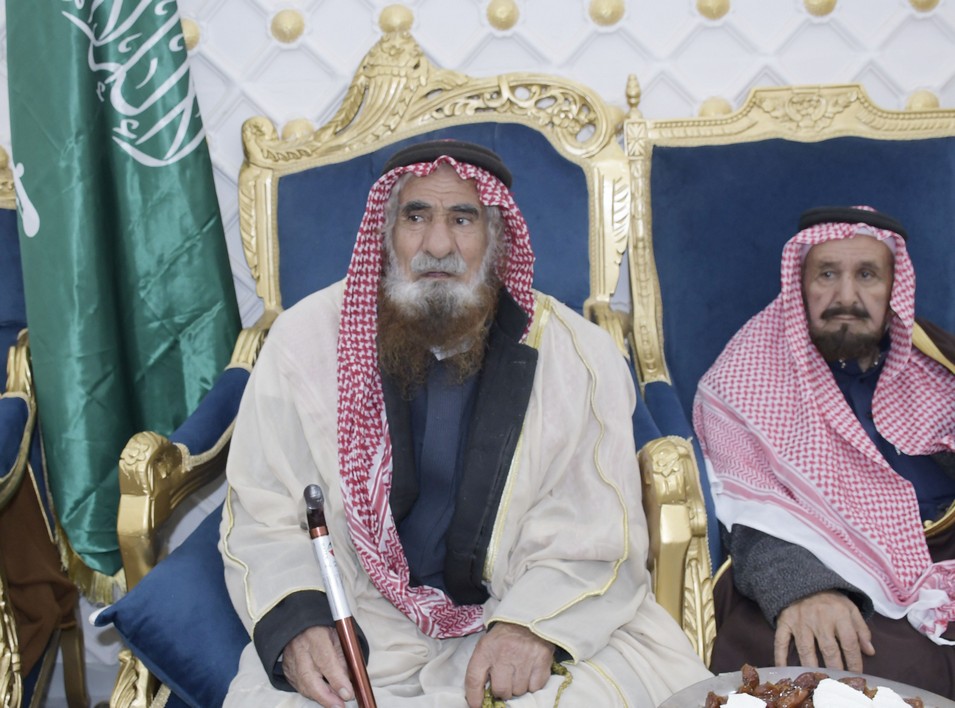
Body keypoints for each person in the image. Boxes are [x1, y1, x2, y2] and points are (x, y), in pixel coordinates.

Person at [220, 139, 710, 707]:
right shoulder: (304, 343)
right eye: (416, 216)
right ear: (387, 232)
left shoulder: (579, 357)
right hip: (358, 617)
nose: (437, 245)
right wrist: (301, 621)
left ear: (496, 238)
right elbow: (265, 510)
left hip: (524, 609)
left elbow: (594, 530)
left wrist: (530, 626)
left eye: (462, 219)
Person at [693, 205, 955, 696]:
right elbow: (748, 517)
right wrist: (805, 587)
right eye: (828, 274)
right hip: (824, 566)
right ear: (800, 285)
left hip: (941, 554)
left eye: (867, 275)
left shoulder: (935, 365)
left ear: (893, 288)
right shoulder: (747, 378)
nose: (846, 297)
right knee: (855, 672)